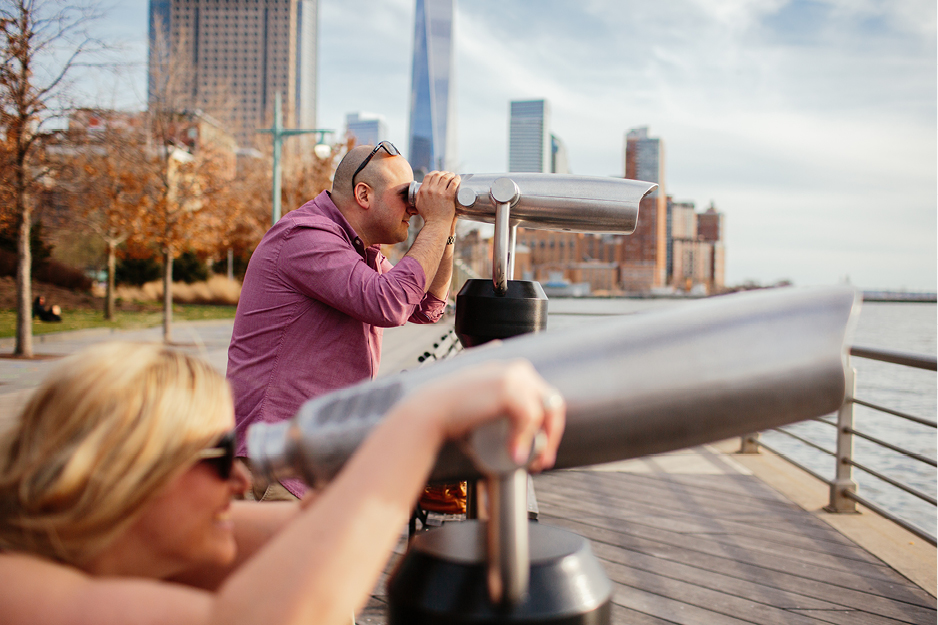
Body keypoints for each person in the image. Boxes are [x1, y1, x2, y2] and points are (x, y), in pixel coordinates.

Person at [0, 342, 565, 625]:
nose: (241, 478)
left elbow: (309, 533)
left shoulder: (109, 534)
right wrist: (421, 418)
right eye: (220, 455)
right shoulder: (14, 585)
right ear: (125, 471)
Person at [227, 142, 459, 499]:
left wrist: (446, 230)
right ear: (363, 194)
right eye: (405, 195)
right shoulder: (306, 236)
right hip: (278, 462)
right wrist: (438, 220)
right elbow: (390, 303)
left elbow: (426, 307)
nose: (413, 208)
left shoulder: (358, 249)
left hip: (313, 454)